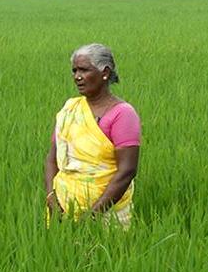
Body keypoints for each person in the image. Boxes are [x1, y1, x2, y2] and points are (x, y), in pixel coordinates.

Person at [44, 43, 140, 226]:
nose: (77, 77)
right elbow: (52, 158)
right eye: (74, 71)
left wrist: (93, 215)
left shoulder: (123, 114)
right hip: (62, 209)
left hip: (106, 215)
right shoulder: (70, 109)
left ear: (105, 72)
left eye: (84, 70)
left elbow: (127, 170)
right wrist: (51, 199)